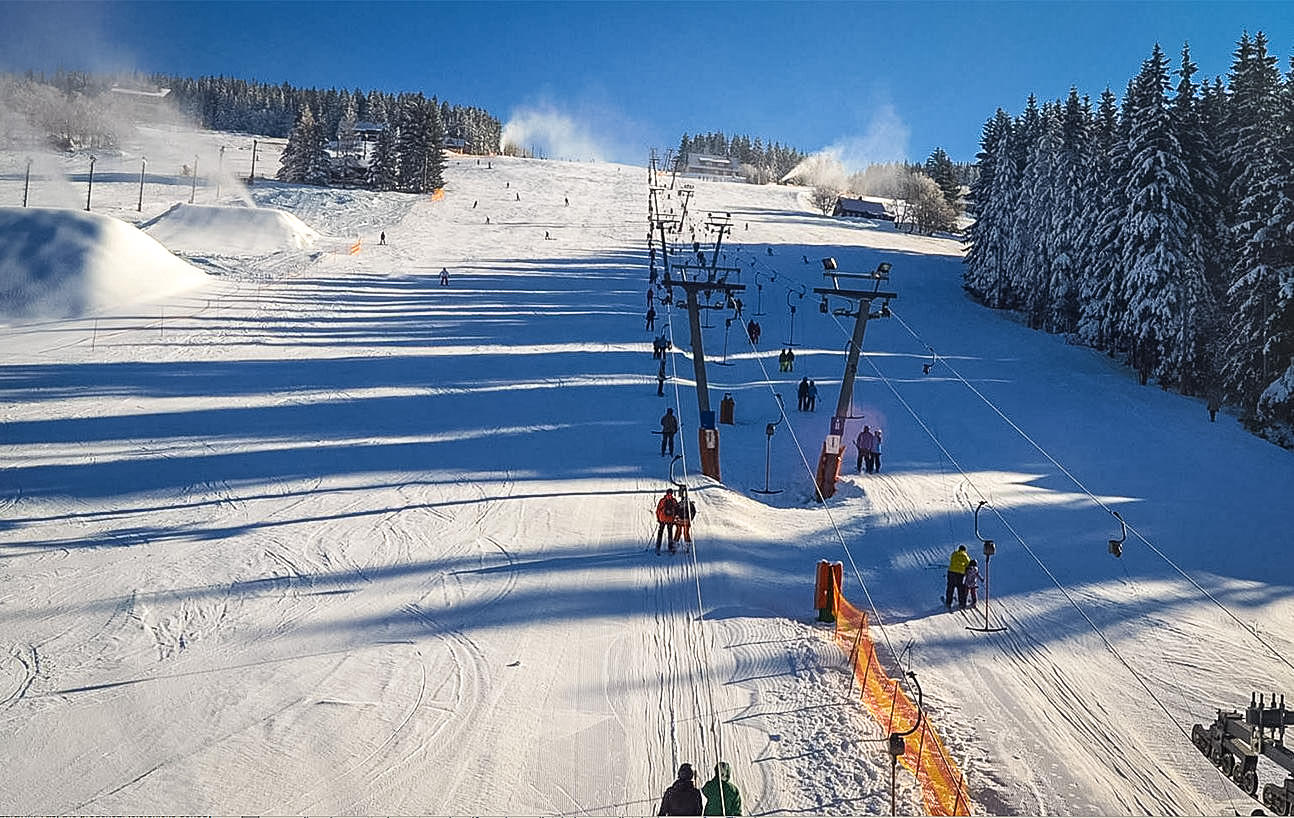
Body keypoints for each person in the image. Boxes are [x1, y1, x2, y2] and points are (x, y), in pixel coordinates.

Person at [946, 545, 970, 609]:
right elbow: (968, 564)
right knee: (960, 588)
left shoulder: (954, 553)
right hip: (959, 574)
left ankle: (948, 602)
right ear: (964, 550)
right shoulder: (965, 556)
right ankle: (961, 603)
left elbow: (952, 560)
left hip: (951, 572)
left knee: (950, 587)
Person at [654, 489, 679, 553]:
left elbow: (677, 510)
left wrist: (658, 518)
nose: (670, 495)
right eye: (669, 494)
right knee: (664, 533)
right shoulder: (667, 501)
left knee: (668, 533)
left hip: (668, 520)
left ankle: (664, 547)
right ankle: (660, 547)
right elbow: (658, 510)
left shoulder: (670, 501)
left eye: (671, 494)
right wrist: (658, 518)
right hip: (664, 519)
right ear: (667, 494)